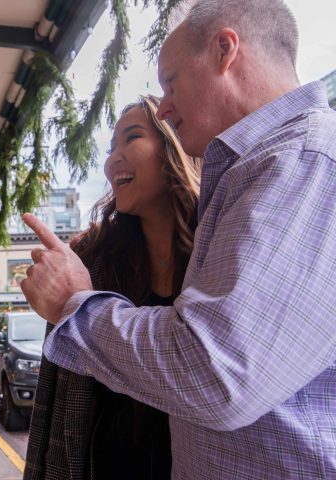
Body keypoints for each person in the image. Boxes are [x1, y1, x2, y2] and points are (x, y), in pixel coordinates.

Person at [20, 0, 336, 478]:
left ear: (225, 51)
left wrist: (74, 303)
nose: (166, 106)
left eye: (170, 82)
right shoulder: (256, 174)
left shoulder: (305, 161)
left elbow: (217, 375)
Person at [24, 95, 200, 480]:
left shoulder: (218, 249)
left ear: (175, 147)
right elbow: (52, 402)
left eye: (131, 138)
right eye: (110, 148)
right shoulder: (90, 257)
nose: (112, 160)